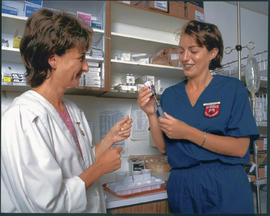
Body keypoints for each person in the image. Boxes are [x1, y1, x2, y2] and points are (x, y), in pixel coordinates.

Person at [1, 8, 132, 213]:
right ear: (53, 59)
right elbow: (45, 204)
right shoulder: (23, 118)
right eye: (81, 58)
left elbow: (82, 162)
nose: (87, 67)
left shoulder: (72, 110)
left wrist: (109, 139)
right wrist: (100, 169)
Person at [137, 20, 259, 214]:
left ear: (212, 53)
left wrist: (188, 133)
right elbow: (163, 147)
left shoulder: (232, 89)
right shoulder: (170, 95)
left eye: (193, 51)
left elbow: (239, 148)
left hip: (225, 185)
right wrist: (151, 113)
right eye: (181, 50)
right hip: (182, 187)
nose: (185, 58)